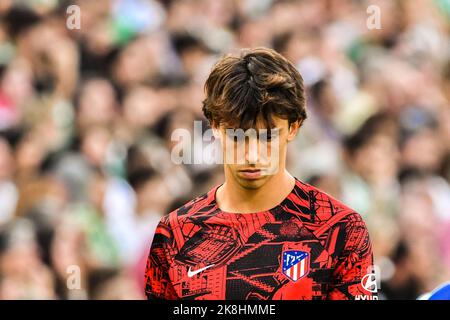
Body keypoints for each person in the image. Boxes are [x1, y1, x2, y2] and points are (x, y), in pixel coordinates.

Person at [144, 47, 375, 300]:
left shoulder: (342, 229)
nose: (252, 155)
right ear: (215, 128)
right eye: (237, 136)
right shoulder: (174, 233)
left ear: (293, 128)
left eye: (267, 136)